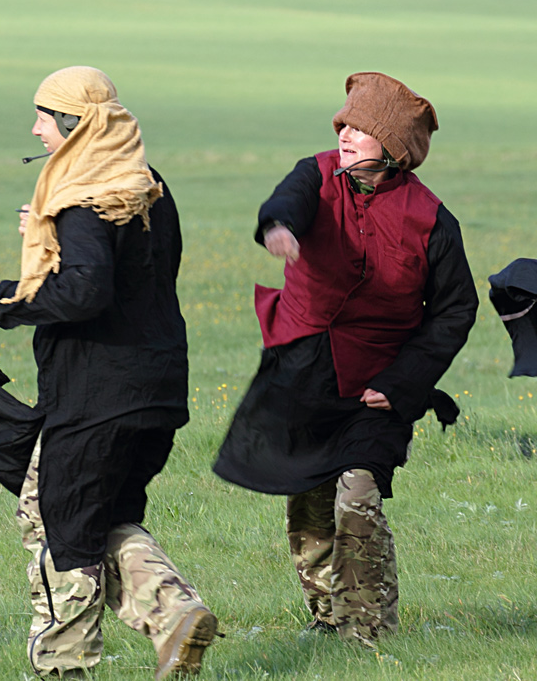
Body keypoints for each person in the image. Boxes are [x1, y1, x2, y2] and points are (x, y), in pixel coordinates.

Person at [212, 72, 477, 646]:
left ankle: (370, 632)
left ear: (395, 148)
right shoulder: (314, 174)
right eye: (345, 124)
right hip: (304, 369)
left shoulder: (432, 220)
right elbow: (288, 201)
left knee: (357, 494)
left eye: (363, 129)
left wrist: (405, 383)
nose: (347, 135)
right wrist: (278, 226)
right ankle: (328, 616)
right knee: (308, 499)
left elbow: (455, 311)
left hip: (377, 385)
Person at [0, 66, 217, 678]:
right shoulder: (145, 186)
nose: (35, 128)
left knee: (56, 521)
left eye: (43, 117)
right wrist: (49, 236)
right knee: (103, 518)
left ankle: (68, 666)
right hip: (156, 390)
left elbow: (85, 292)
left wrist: (9, 296)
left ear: (74, 125)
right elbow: (145, 270)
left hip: (97, 394)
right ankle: (174, 612)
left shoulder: (83, 195)